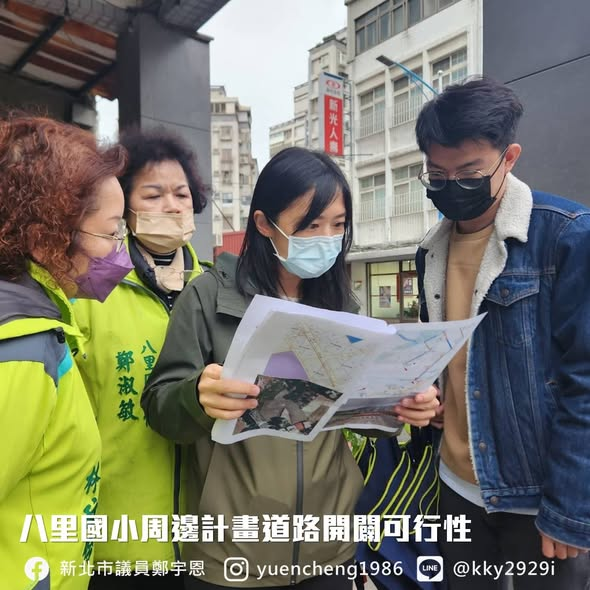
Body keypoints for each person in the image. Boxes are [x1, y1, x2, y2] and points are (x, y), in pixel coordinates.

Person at [141, 146, 440, 589]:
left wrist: (401, 405)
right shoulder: (207, 297)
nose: (327, 238)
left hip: (331, 549)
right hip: (232, 554)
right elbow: (160, 408)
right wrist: (197, 398)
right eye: (310, 225)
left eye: (338, 225)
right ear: (264, 223)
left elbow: (359, 419)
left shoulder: (342, 305)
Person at [414, 77, 590, 589]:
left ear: (508, 158)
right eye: (437, 174)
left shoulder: (567, 235)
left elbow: (585, 380)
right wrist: (430, 397)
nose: (451, 185)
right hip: (455, 486)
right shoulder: (430, 251)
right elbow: (448, 358)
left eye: (469, 173)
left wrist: (570, 506)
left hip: (536, 495)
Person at [72, 127, 207, 589]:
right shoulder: (89, 291)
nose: (172, 206)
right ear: (124, 206)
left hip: (206, 541)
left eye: (181, 194)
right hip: (115, 542)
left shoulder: (216, 293)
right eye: (153, 195)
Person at [0, 114, 129, 589]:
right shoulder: (23, 348)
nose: (119, 252)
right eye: (111, 233)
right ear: (44, 240)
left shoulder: (36, 319)